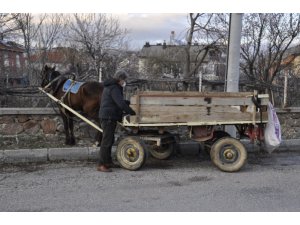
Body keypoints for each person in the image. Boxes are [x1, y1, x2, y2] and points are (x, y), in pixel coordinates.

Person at [97, 70, 136, 172]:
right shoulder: (114, 88)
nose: (124, 82)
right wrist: (132, 112)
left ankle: (108, 162)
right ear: (120, 79)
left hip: (109, 116)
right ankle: (101, 164)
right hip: (108, 117)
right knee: (106, 141)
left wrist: (132, 102)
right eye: (124, 80)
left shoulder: (112, 86)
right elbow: (120, 104)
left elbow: (119, 101)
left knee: (110, 140)